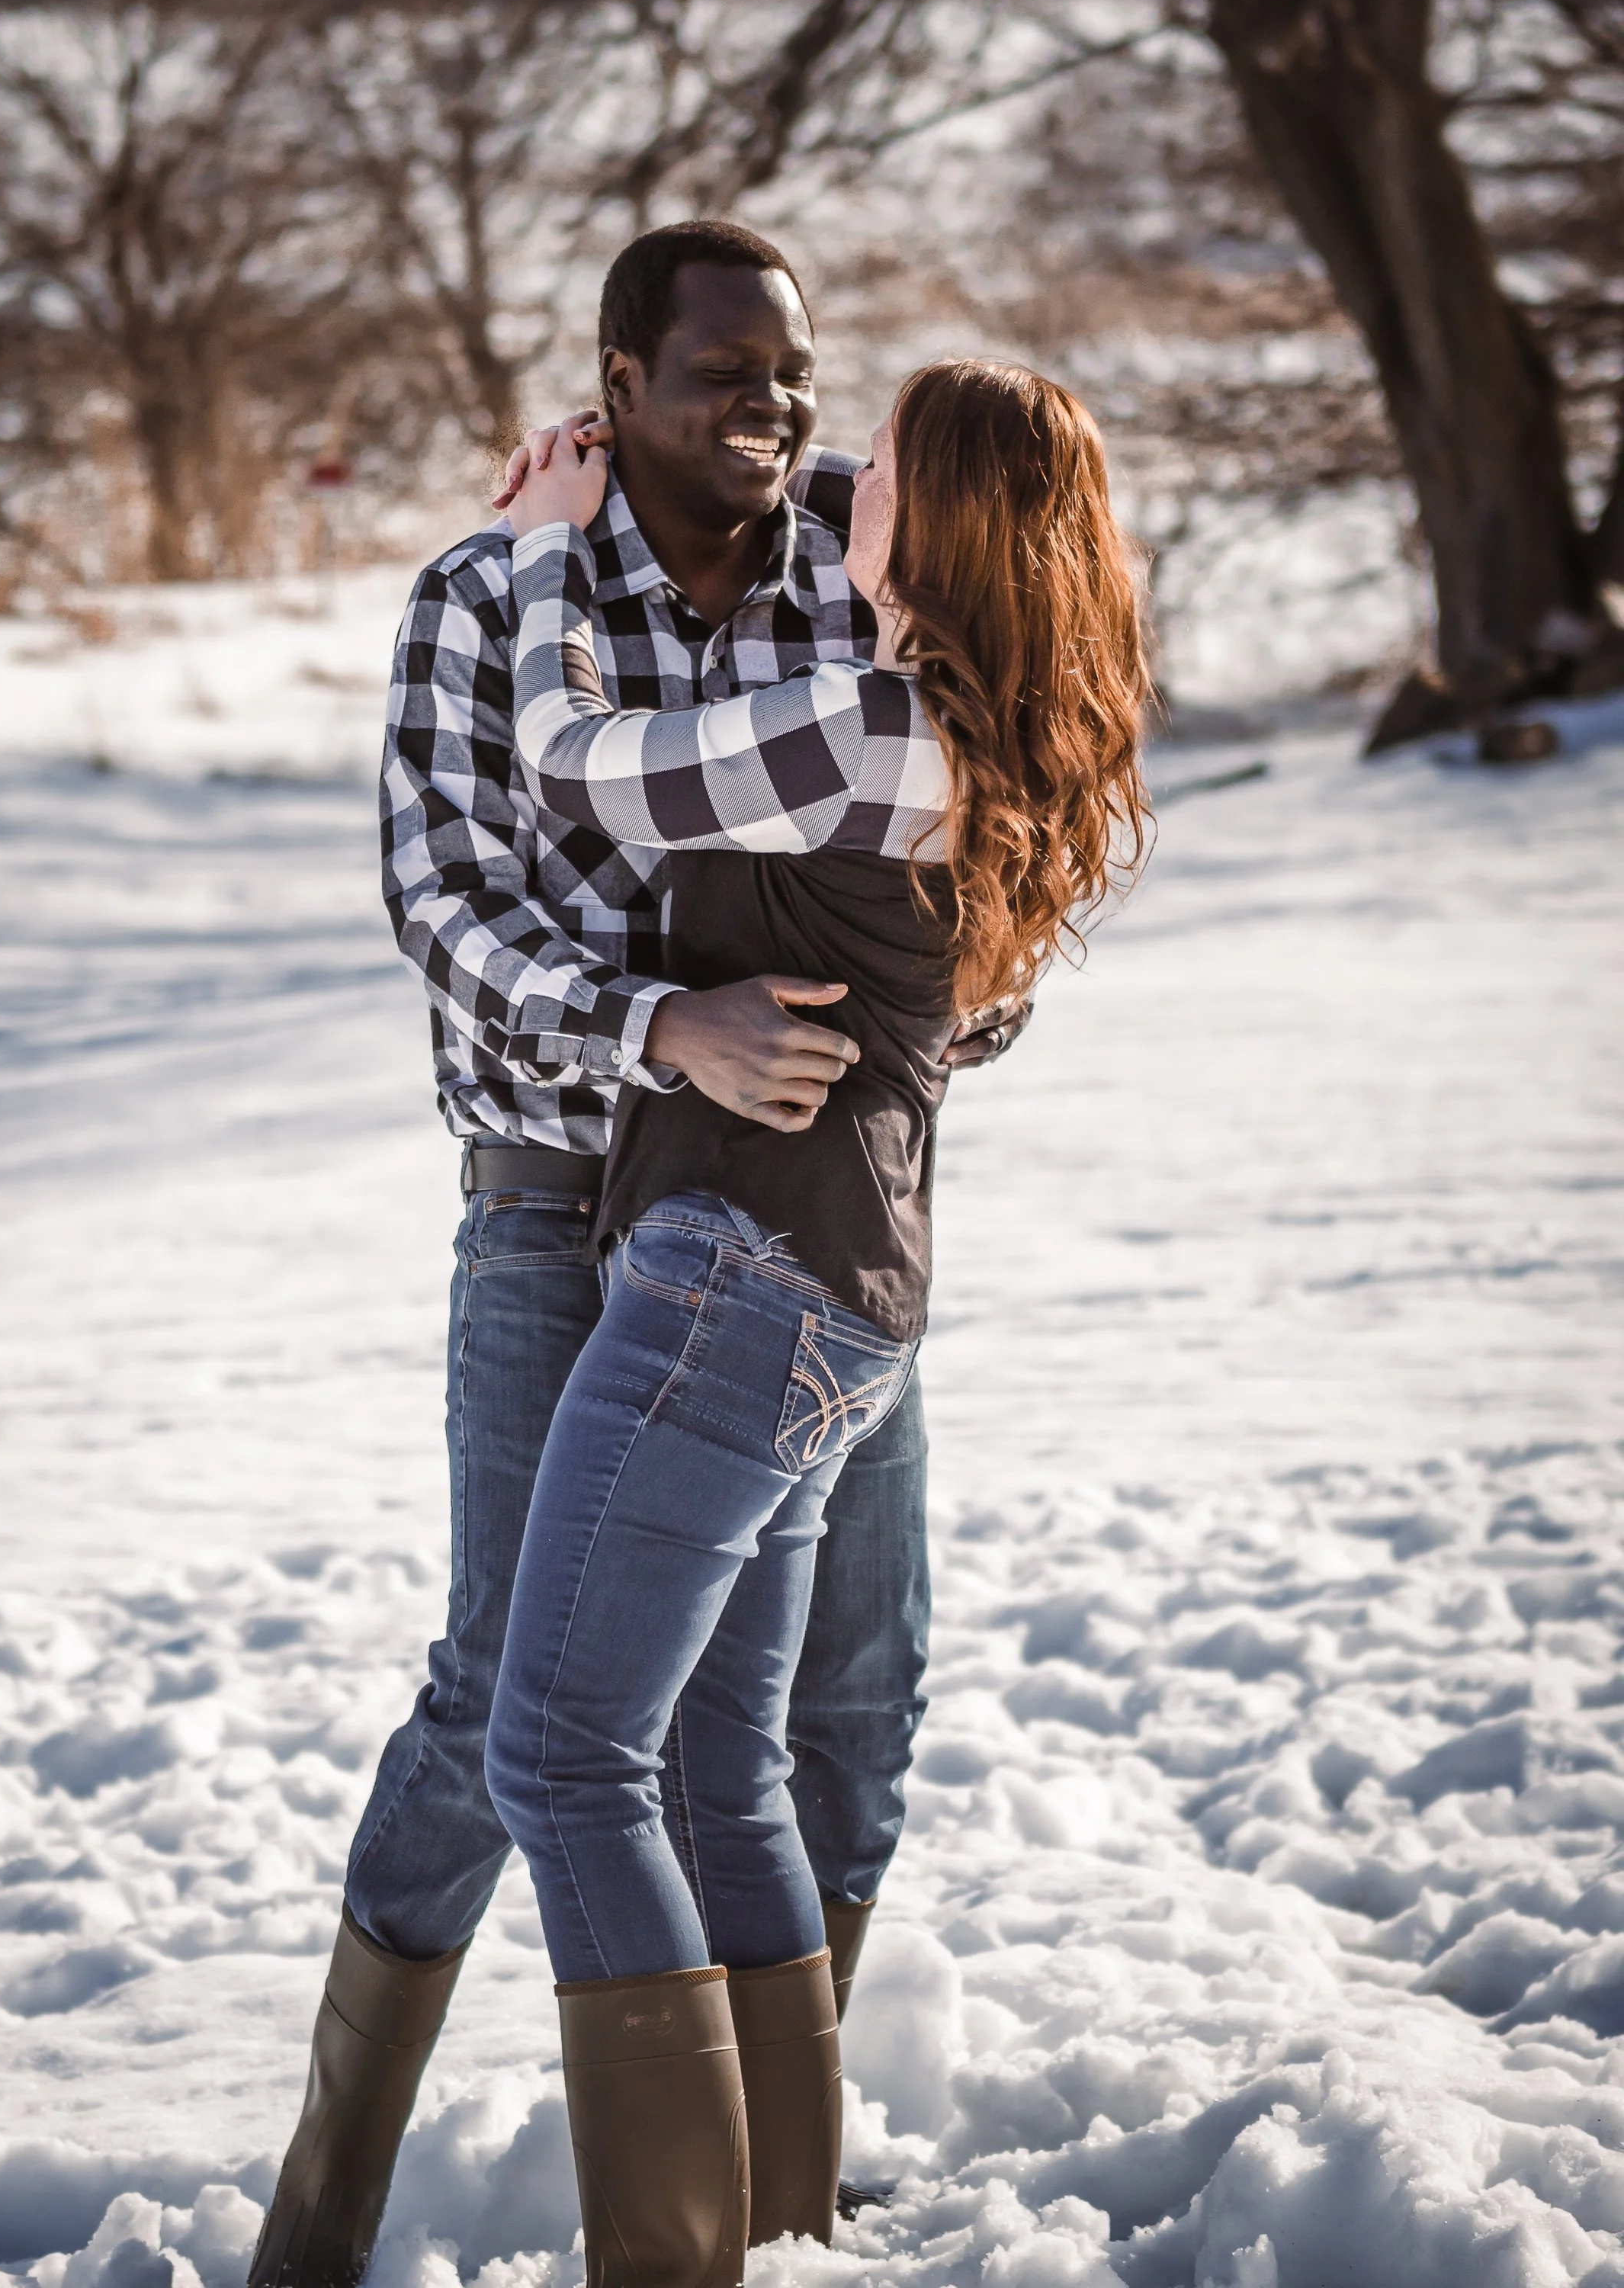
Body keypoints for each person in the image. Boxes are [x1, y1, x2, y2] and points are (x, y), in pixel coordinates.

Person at [249, 228, 1021, 2288]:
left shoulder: (870, 556)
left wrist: (910, 1009)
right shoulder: (491, 592)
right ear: (616, 375)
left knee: (844, 1697)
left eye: (792, 374)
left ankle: (775, 2202)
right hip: (553, 1205)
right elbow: (447, 898)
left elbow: (989, 880)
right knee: (512, 1705)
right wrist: (656, 1024)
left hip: (793, 1224)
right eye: (721, 375)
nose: (770, 415)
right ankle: (327, 2194)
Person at [481, 358, 1150, 2286]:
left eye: (882, 480)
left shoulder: (866, 734)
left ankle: (675, 2264)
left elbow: (577, 763)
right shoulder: (970, 725)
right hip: (840, 1297)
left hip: (738, 1285)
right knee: (720, 1768)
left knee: (561, 1759)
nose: (836, 485)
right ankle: (772, 2231)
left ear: (927, 526)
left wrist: (543, 556)